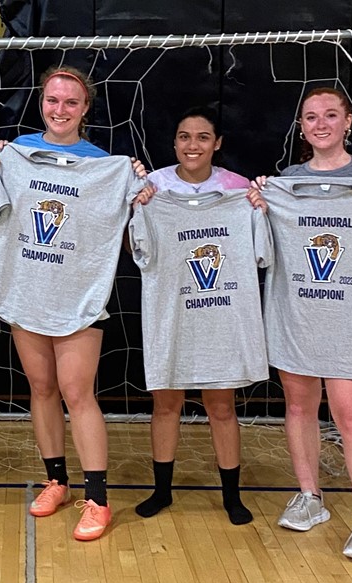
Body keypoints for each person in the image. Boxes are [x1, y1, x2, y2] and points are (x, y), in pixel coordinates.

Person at [248, 87, 352, 563]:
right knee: (299, 406)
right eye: (310, 117)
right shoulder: (286, 182)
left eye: (330, 115)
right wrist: (262, 202)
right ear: (301, 126)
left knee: (351, 415)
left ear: (348, 122)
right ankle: (310, 497)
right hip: (298, 315)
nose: (320, 124)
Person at [0, 65, 149, 541]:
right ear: (41, 104)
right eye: (53, 101)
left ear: (85, 109)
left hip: (79, 295)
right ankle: (56, 480)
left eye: (71, 102)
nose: (60, 110)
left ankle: (97, 499)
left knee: (79, 393)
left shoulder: (107, 165)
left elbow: (131, 221)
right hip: (26, 288)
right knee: (41, 388)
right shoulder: (14, 154)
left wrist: (138, 185)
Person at [134, 107, 255, 524]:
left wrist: (259, 205)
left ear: (217, 143)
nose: (193, 145)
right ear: (174, 143)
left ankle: (231, 496)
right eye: (185, 136)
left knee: (221, 405)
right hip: (171, 315)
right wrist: (140, 207)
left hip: (220, 317)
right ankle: (162, 490)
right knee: (166, 403)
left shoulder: (238, 191)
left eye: (203, 137)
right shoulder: (153, 188)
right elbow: (139, 251)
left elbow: (260, 249)